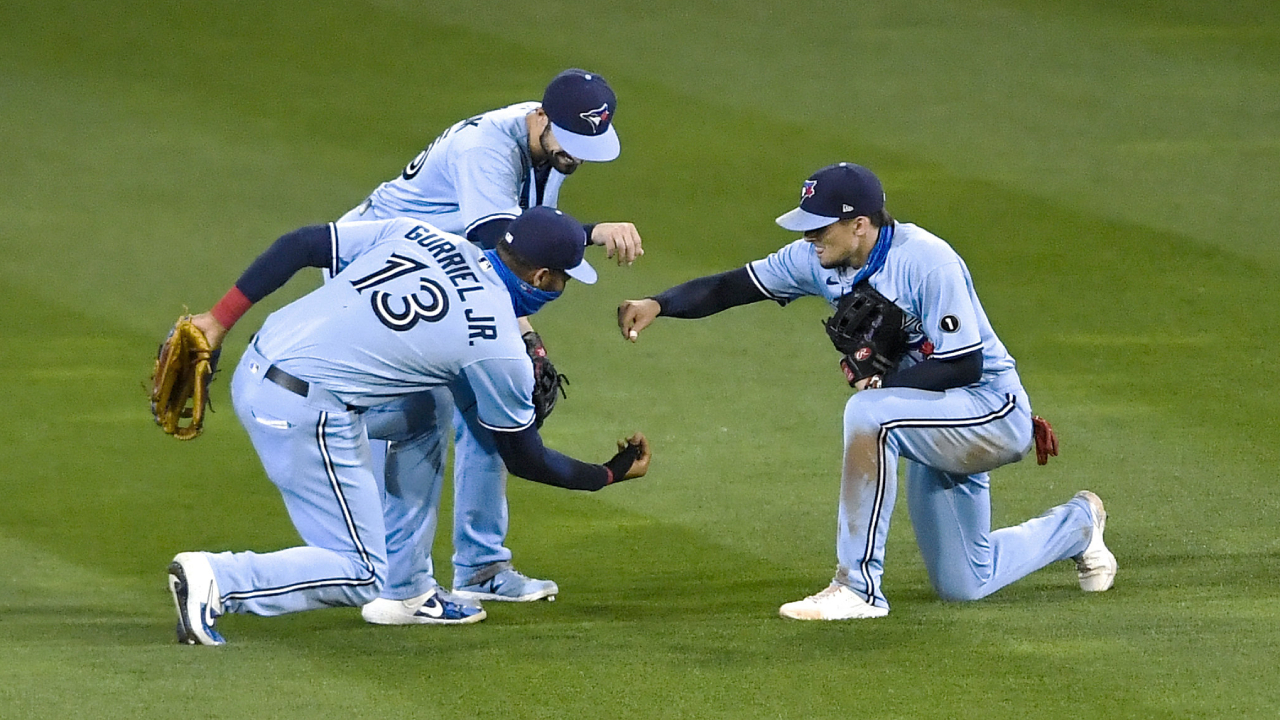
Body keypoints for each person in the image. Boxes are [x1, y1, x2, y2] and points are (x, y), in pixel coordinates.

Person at [617, 162, 1116, 620]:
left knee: (870, 414)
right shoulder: (818, 259)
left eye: (820, 225)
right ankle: (1077, 525)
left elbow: (965, 363)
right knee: (965, 581)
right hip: (931, 420)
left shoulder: (926, 261)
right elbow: (734, 286)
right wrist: (659, 305)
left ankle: (858, 587)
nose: (810, 235)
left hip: (990, 412)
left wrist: (886, 383)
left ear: (860, 224)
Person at [168, 207, 651, 645]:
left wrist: (218, 319)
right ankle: (216, 579)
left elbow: (303, 243)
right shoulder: (499, 346)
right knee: (359, 573)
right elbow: (525, 458)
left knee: (425, 411)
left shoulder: (421, 236)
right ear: (542, 277)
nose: (561, 289)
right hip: (303, 413)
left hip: (260, 360)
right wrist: (606, 474)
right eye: (563, 280)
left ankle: (407, 593)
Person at [335, 68, 644, 611]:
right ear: (542, 119)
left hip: (443, 277)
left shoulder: (550, 145)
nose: (576, 156)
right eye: (570, 142)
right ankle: (398, 585)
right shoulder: (486, 149)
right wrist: (590, 232)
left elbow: (512, 257)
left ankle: (480, 567)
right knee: (423, 414)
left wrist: (524, 340)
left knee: (494, 402)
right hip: (377, 274)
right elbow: (497, 240)